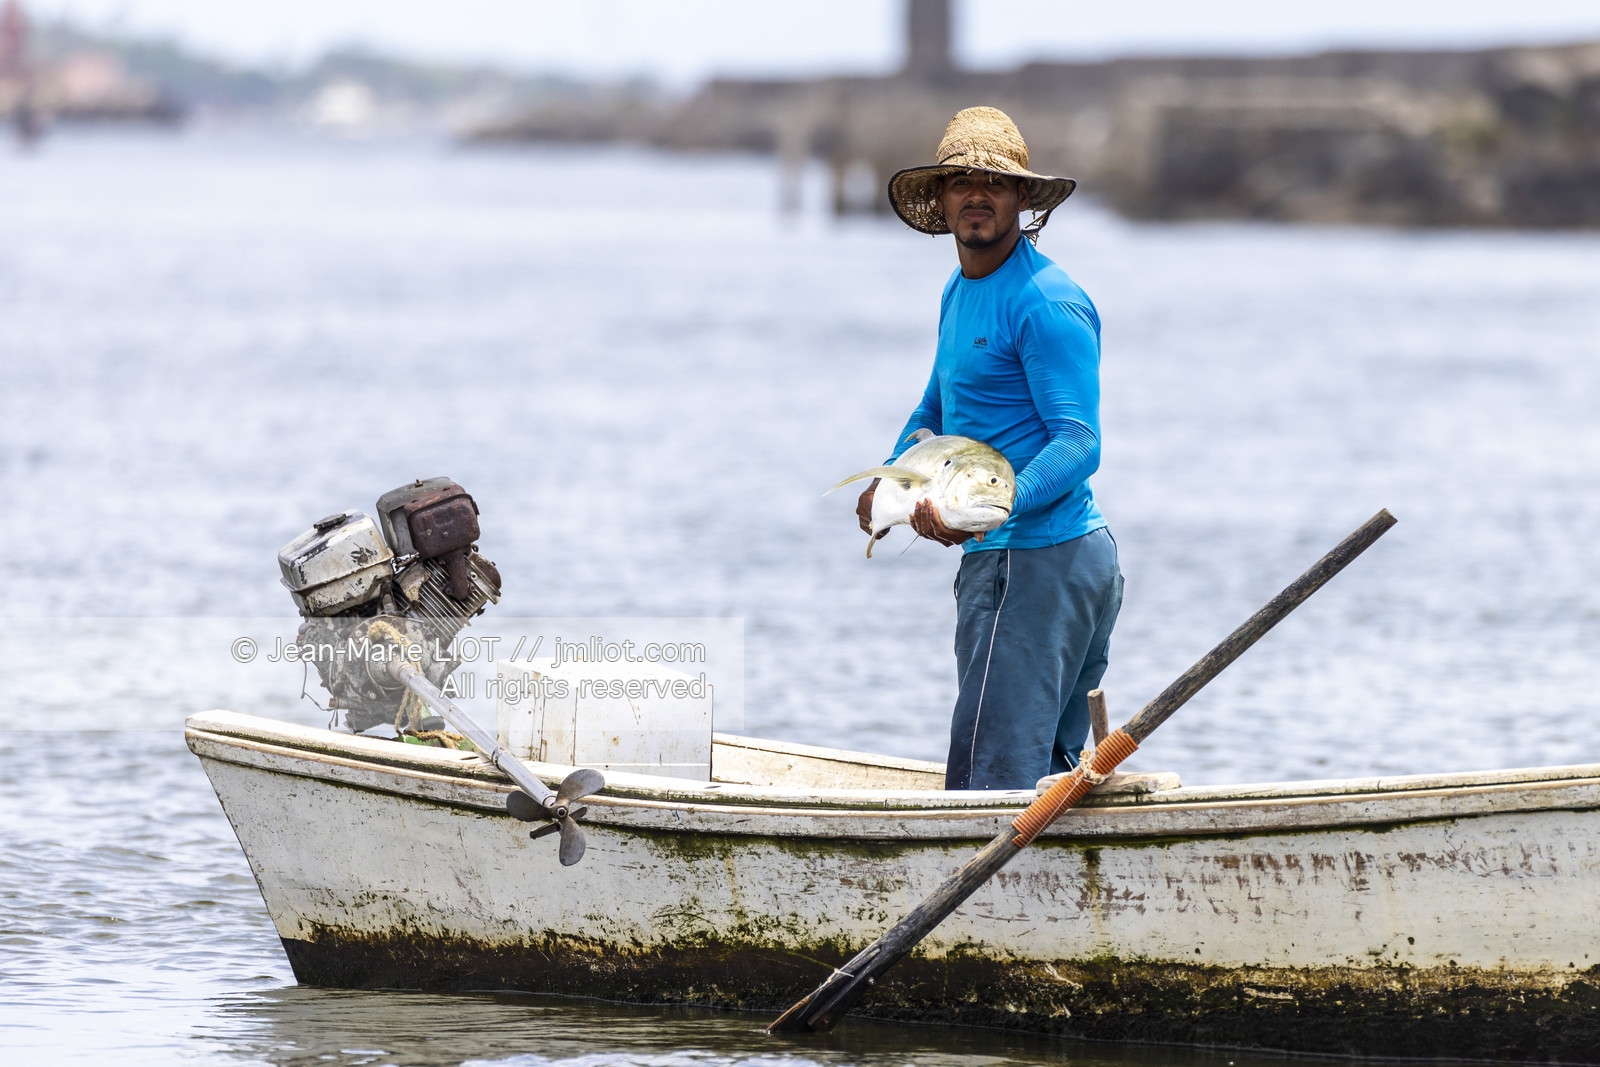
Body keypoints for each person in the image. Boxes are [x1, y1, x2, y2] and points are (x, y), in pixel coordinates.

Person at [859, 106, 1122, 791]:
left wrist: (992, 511)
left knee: (990, 783)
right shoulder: (959, 289)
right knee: (1050, 788)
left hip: (1035, 564)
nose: (977, 195)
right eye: (962, 182)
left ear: (1022, 199)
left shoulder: (1045, 302)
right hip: (1024, 562)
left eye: (995, 183)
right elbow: (934, 412)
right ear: (942, 200)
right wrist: (891, 485)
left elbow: (1079, 442)